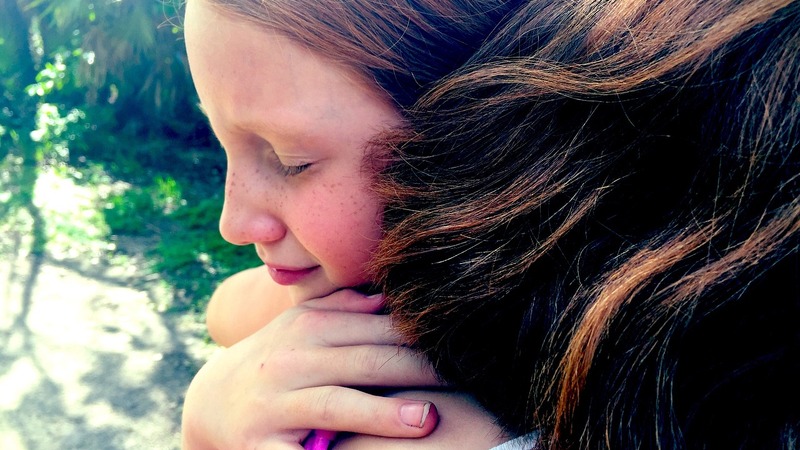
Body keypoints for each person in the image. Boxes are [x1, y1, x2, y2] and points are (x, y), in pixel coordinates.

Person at [182, 0, 800, 448]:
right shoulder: (361, 286)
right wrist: (216, 397)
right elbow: (227, 307)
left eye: (290, 159)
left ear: (481, 132)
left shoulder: (421, 424)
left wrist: (206, 430)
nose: (234, 223)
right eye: (222, 142)